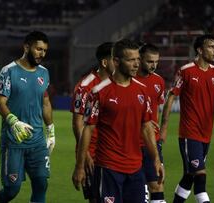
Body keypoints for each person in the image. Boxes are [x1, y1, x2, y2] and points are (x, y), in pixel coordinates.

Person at [72, 39, 164, 202]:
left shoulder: (142, 91)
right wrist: (80, 165)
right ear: (116, 61)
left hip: (136, 168)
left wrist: (156, 159)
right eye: (131, 60)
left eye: (137, 59)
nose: (136, 64)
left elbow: (147, 127)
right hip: (108, 168)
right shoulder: (99, 92)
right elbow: (88, 129)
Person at [159, 34, 214, 203]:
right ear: (200, 50)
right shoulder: (186, 71)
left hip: (206, 133)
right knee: (200, 175)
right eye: (211, 46)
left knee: (190, 176)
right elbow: (171, 97)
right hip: (189, 133)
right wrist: (164, 127)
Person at [0, 31, 55, 203]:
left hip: (37, 141)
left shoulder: (44, 73)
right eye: (38, 49)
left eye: (44, 50)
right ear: (26, 47)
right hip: (14, 140)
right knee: (11, 190)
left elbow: (45, 102)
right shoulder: (8, 71)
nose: (41, 54)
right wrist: (13, 122)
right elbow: (0, 103)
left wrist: (50, 130)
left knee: (41, 184)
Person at [70, 42, 115, 203]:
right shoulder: (85, 86)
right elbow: (77, 123)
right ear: (104, 62)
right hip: (92, 153)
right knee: (97, 198)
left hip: (112, 152)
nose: (119, 62)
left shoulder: (117, 83)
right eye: (115, 59)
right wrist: (85, 155)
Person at [136, 43, 166, 203]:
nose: (153, 65)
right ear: (139, 59)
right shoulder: (129, 80)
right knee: (138, 188)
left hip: (151, 143)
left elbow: (158, 107)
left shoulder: (159, 82)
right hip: (131, 143)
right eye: (149, 62)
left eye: (156, 62)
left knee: (158, 185)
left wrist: (158, 129)